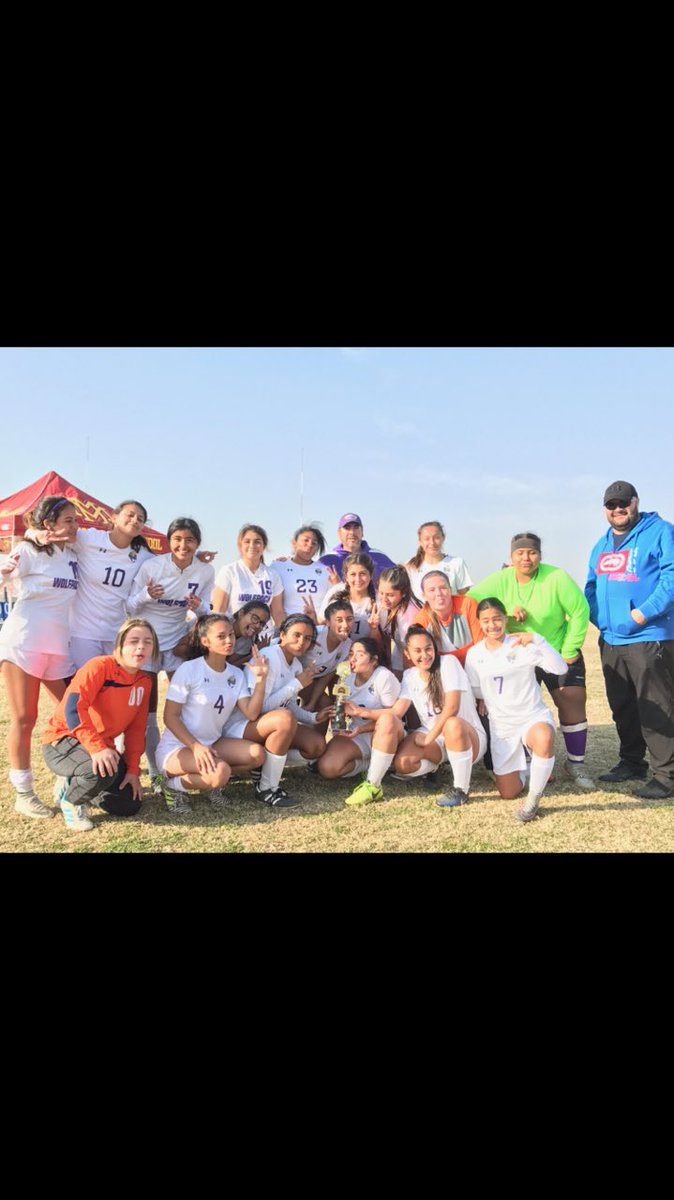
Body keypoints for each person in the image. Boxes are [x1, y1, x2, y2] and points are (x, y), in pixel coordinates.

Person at [469, 532, 593, 789]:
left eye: (532, 552)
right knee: (519, 702)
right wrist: (508, 604)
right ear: (511, 556)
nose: (526, 558)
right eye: (520, 553)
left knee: (570, 698)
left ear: (540, 555)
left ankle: (576, 763)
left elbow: (580, 610)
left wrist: (570, 648)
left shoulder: (556, 577)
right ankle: (533, 760)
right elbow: (473, 598)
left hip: (555, 648)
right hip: (519, 652)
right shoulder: (502, 578)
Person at [585, 480, 674, 799]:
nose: (618, 509)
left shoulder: (661, 531)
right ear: (605, 510)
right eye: (612, 504)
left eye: (624, 502)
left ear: (636, 502)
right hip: (611, 639)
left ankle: (667, 776)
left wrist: (642, 614)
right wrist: (603, 619)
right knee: (623, 706)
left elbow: (671, 577)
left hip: (649, 637)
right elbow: (591, 588)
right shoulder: (602, 544)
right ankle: (632, 763)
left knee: (656, 707)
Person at [0, 496, 80, 817]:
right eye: (69, 521)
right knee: (24, 717)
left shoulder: (72, 551)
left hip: (58, 647)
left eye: (76, 520)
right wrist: (13, 557)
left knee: (72, 715)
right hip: (24, 642)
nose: (76, 526)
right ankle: (24, 792)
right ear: (49, 524)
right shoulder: (29, 551)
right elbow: (5, 570)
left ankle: (68, 774)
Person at [42, 619, 158, 833]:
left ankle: (78, 781)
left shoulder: (144, 681)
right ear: (119, 646)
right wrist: (97, 748)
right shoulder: (99, 666)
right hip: (64, 742)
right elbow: (73, 710)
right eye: (134, 641)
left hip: (101, 748)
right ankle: (72, 801)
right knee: (99, 773)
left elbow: (135, 729)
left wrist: (132, 770)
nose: (141, 646)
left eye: (147, 642)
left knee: (128, 804)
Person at [126, 517, 215, 780]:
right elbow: (129, 606)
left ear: (198, 543)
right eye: (177, 539)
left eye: (189, 539)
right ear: (169, 541)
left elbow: (207, 611)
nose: (183, 545)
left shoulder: (205, 571)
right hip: (148, 641)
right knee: (148, 710)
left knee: (186, 706)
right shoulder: (152, 566)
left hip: (178, 644)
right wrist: (147, 595)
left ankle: (184, 759)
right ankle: (155, 771)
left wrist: (198, 605)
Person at [464, 599, 569, 822]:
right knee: (508, 792)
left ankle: (533, 800)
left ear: (505, 618)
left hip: (531, 715)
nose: (492, 625)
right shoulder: (475, 654)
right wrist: (483, 698)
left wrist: (538, 639)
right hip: (502, 725)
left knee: (544, 735)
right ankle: (530, 765)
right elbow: (474, 687)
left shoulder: (522, 644)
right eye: (486, 621)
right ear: (479, 624)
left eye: (496, 619)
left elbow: (561, 667)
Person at [154, 614, 269, 813]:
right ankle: (171, 786)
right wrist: (196, 747)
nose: (229, 640)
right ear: (205, 641)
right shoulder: (189, 669)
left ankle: (207, 782)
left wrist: (260, 681)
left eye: (231, 635)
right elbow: (170, 717)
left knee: (257, 755)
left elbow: (251, 714)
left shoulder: (236, 674)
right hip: (178, 747)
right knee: (220, 773)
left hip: (212, 744)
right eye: (221, 636)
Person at [223, 614, 329, 806]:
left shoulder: (295, 664)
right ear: (282, 634)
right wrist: (297, 684)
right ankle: (266, 788)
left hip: (267, 723)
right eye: (296, 635)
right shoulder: (269, 657)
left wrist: (313, 718)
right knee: (284, 720)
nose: (301, 642)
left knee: (316, 746)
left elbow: (287, 705)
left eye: (307, 638)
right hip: (241, 724)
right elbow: (259, 709)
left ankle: (266, 763)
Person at [391, 625, 487, 807]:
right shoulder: (409, 675)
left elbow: (452, 707)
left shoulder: (448, 662)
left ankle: (461, 789)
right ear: (407, 653)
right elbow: (396, 712)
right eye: (417, 651)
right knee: (403, 764)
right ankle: (438, 765)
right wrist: (360, 713)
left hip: (466, 735)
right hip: (435, 738)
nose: (425, 655)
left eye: (428, 648)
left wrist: (429, 737)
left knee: (452, 723)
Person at [316, 636, 402, 806]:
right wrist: (338, 720)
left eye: (360, 655)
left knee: (387, 720)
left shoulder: (384, 677)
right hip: (356, 734)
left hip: (383, 732)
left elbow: (394, 717)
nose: (352, 659)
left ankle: (372, 784)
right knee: (328, 768)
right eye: (351, 653)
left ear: (374, 660)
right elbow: (341, 714)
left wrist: (361, 720)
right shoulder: (345, 677)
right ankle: (371, 764)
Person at [211, 524, 285, 631]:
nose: (252, 545)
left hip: (263, 640)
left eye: (257, 542)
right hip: (235, 638)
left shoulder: (272, 575)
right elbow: (218, 612)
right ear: (240, 545)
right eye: (247, 541)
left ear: (264, 546)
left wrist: (286, 633)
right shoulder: (229, 571)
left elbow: (278, 612)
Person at [298, 599, 354, 714]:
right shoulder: (314, 634)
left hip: (311, 681)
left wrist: (311, 704)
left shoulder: (348, 646)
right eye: (339, 620)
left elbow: (325, 677)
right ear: (327, 622)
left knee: (326, 705)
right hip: (292, 678)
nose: (345, 625)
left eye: (349, 619)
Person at [416, 571, 482, 665]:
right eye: (432, 590)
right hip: (442, 670)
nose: (438, 593)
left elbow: (482, 646)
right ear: (424, 596)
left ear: (450, 590)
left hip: (474, 665)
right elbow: (418, 659)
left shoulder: (468, 604)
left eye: (443, 588)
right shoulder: (421, 620)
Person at [318, 552, 381, 643]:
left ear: (370, 575)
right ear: (346, 577)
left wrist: (374, 629)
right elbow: (322, 622)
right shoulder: (336, 591)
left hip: (363, 653)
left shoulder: (378, 600)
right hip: (336, 652)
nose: (358, 579)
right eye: (353, 574)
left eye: (362, 573)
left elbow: (382, 643)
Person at [269, 525, 333, 615]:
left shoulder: (325, 571)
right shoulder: (278, 567)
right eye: (306, 540)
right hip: (288, 625)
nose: (309, 545)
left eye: (314, 543)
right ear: (294, 543)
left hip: (319, 627)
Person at [405, 520, 473, 602]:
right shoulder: (410, 566)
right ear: (420, 542)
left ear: (443, 538)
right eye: (427, 539)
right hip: (420, 614)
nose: (432, 543)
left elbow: (465, 598)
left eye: (436, 538)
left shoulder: (456, 563)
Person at [318, 513, 394, 584]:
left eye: (356, 527)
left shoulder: (380, 557)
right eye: (347, 528)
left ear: (362, 531)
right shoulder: (326, 561)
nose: (352, 532)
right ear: (339, 533)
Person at [377, 566, 421, 675]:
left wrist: (408, 677)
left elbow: (410, 651)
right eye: (381, 593)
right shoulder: (382, 605)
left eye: (390, 595)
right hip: (399, 648)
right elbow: (386, 639)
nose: (384, 599)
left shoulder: (408, 613)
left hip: (416, 653)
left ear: (404, 593)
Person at [229, 600, 272, 667]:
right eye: (255, 618)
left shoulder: (248, 641)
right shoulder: (222, 621)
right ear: (241, 614)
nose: (258, 626)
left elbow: (229, 666)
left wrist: (255, 654)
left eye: (262, 624)